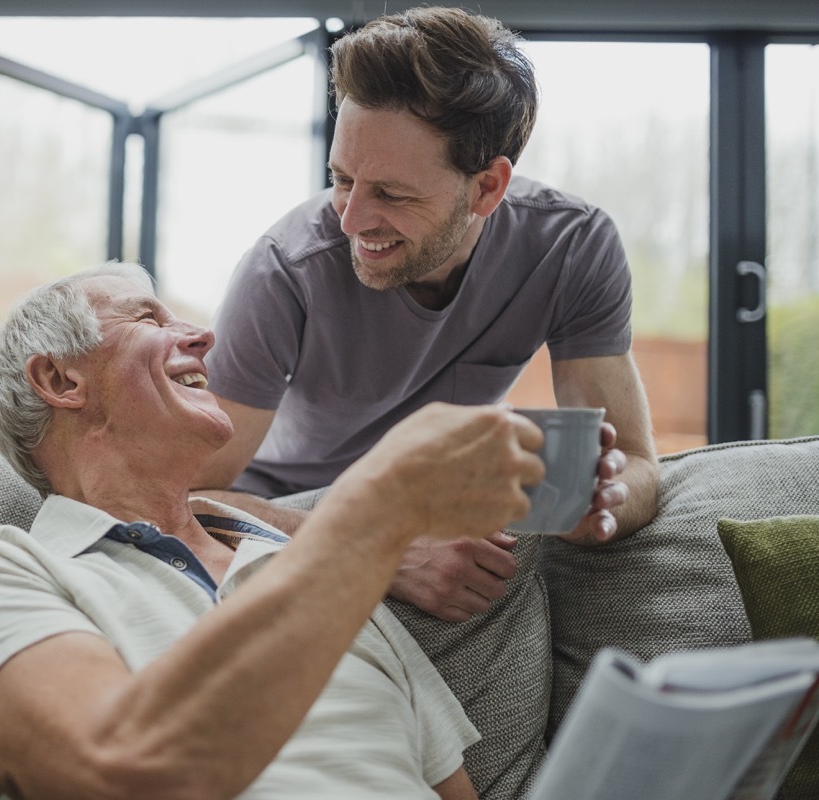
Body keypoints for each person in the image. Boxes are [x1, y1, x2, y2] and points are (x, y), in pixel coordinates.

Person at [0, 262, 547, 800]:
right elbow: (116, 773)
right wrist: (376, 508)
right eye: (149, 320)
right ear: (60, 380)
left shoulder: (324, 574)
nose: (203, 336)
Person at [192, 6, 659, 623]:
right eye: (341, 179)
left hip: (437, 499)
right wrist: (380, 545)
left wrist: (590, 502)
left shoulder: (572, 245)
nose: (351, 219)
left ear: (487, 188)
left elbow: (637, 463)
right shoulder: (284, 270)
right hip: (293, 507)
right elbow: (188, 496)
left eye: (390, 192)